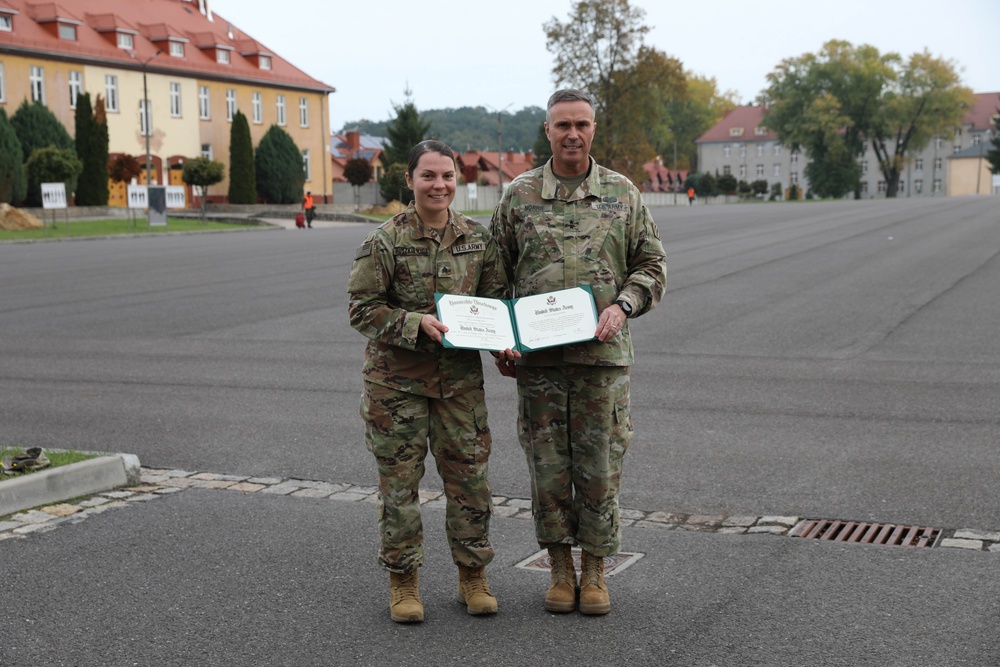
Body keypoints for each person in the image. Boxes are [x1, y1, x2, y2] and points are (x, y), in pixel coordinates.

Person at [490, 89, 667, 616]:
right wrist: (503, 338)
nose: (572, 133)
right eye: (562, 124)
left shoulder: (622, 193)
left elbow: (652, 266)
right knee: (547, 470)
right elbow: (495, 275)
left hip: (601, 360)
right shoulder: (519, 195)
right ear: (547, 130)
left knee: (599, 467)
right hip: (539, 365)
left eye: (581, 124)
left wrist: (624, 306)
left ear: (593, 129)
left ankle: (594, 572)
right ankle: (559, 571)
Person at [348, 140, 507, 623]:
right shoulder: (385, 240)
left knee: (470, 485)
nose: (439, 185)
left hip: (459, 387)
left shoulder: (479, 239)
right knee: (400, 491)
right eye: (428, 176)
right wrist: (413, 324)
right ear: (410, 180)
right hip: (397, 390)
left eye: (447, 177)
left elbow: (494, 304)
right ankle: (404, 582)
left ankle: (472, 577)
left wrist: (504, 342)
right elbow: (361, 309)